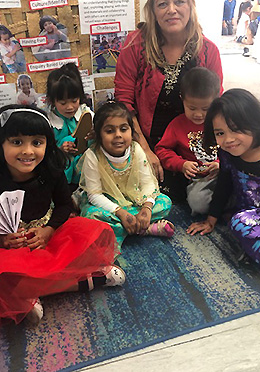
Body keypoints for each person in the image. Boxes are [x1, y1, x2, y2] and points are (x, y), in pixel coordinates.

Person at [0, 105, 125, 325]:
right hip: (11, 248)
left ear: (47, 144)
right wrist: (3, 240)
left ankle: (28, 293)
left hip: (48, 236)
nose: (28, 151)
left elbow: (64, 205)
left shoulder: (51, 170)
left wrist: (49, 230)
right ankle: (85, 282)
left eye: (37, 143)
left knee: (96, 232)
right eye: (16, 142)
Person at [114, 0, 223, 183]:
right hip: (145, 142)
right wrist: (145, 151)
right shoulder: (135, 45)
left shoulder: (209, 50)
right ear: (153, 11)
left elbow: (218, 105)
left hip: (194, 148)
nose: (172, 10)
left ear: (190, 6)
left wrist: (219, 156)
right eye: (162, 4)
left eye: (179, 2)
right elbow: (123, 102)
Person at [77, 101, 174, 250]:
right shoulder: (93, 155)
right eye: (109, 131)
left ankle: (124, 228)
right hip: (108, 204)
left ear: (131, 130)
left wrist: (147, 208)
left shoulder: (136, 149)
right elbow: (94, 196)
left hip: (135, 199)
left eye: (123, 129)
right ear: (99, 134)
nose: (118, 135)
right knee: (91, 215)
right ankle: (144, 228)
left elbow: (148, 183)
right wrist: (120, 213)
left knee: (165, 202)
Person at [186, 89, 260, 264]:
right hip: (247, 213)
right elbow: (224, 184)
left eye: (236, 129)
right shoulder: (227, 154)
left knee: (238, 222)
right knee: (238, 222)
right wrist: (211, 220)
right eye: (220, 133)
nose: (228, 139)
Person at [155, 67, 220, 213]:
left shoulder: (220, 121)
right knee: (197, 204)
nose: (198, 114)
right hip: (199, 180)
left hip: (225, 174)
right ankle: (224, 205)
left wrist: (221, 165)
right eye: (192, 108)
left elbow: (234, 147)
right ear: (182, 99)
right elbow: (162, 149)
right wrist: (181, 164)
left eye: (205, 109)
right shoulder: (177, 125)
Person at [46, 66, 94, 187]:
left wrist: (94, 135)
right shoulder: (49, 122)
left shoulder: (86, 114)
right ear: (52, 101)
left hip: (87, 172)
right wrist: (60, 150)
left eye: (74, 100)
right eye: (63, 103)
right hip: (61, 175)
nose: (70, 107)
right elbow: (45, 151)